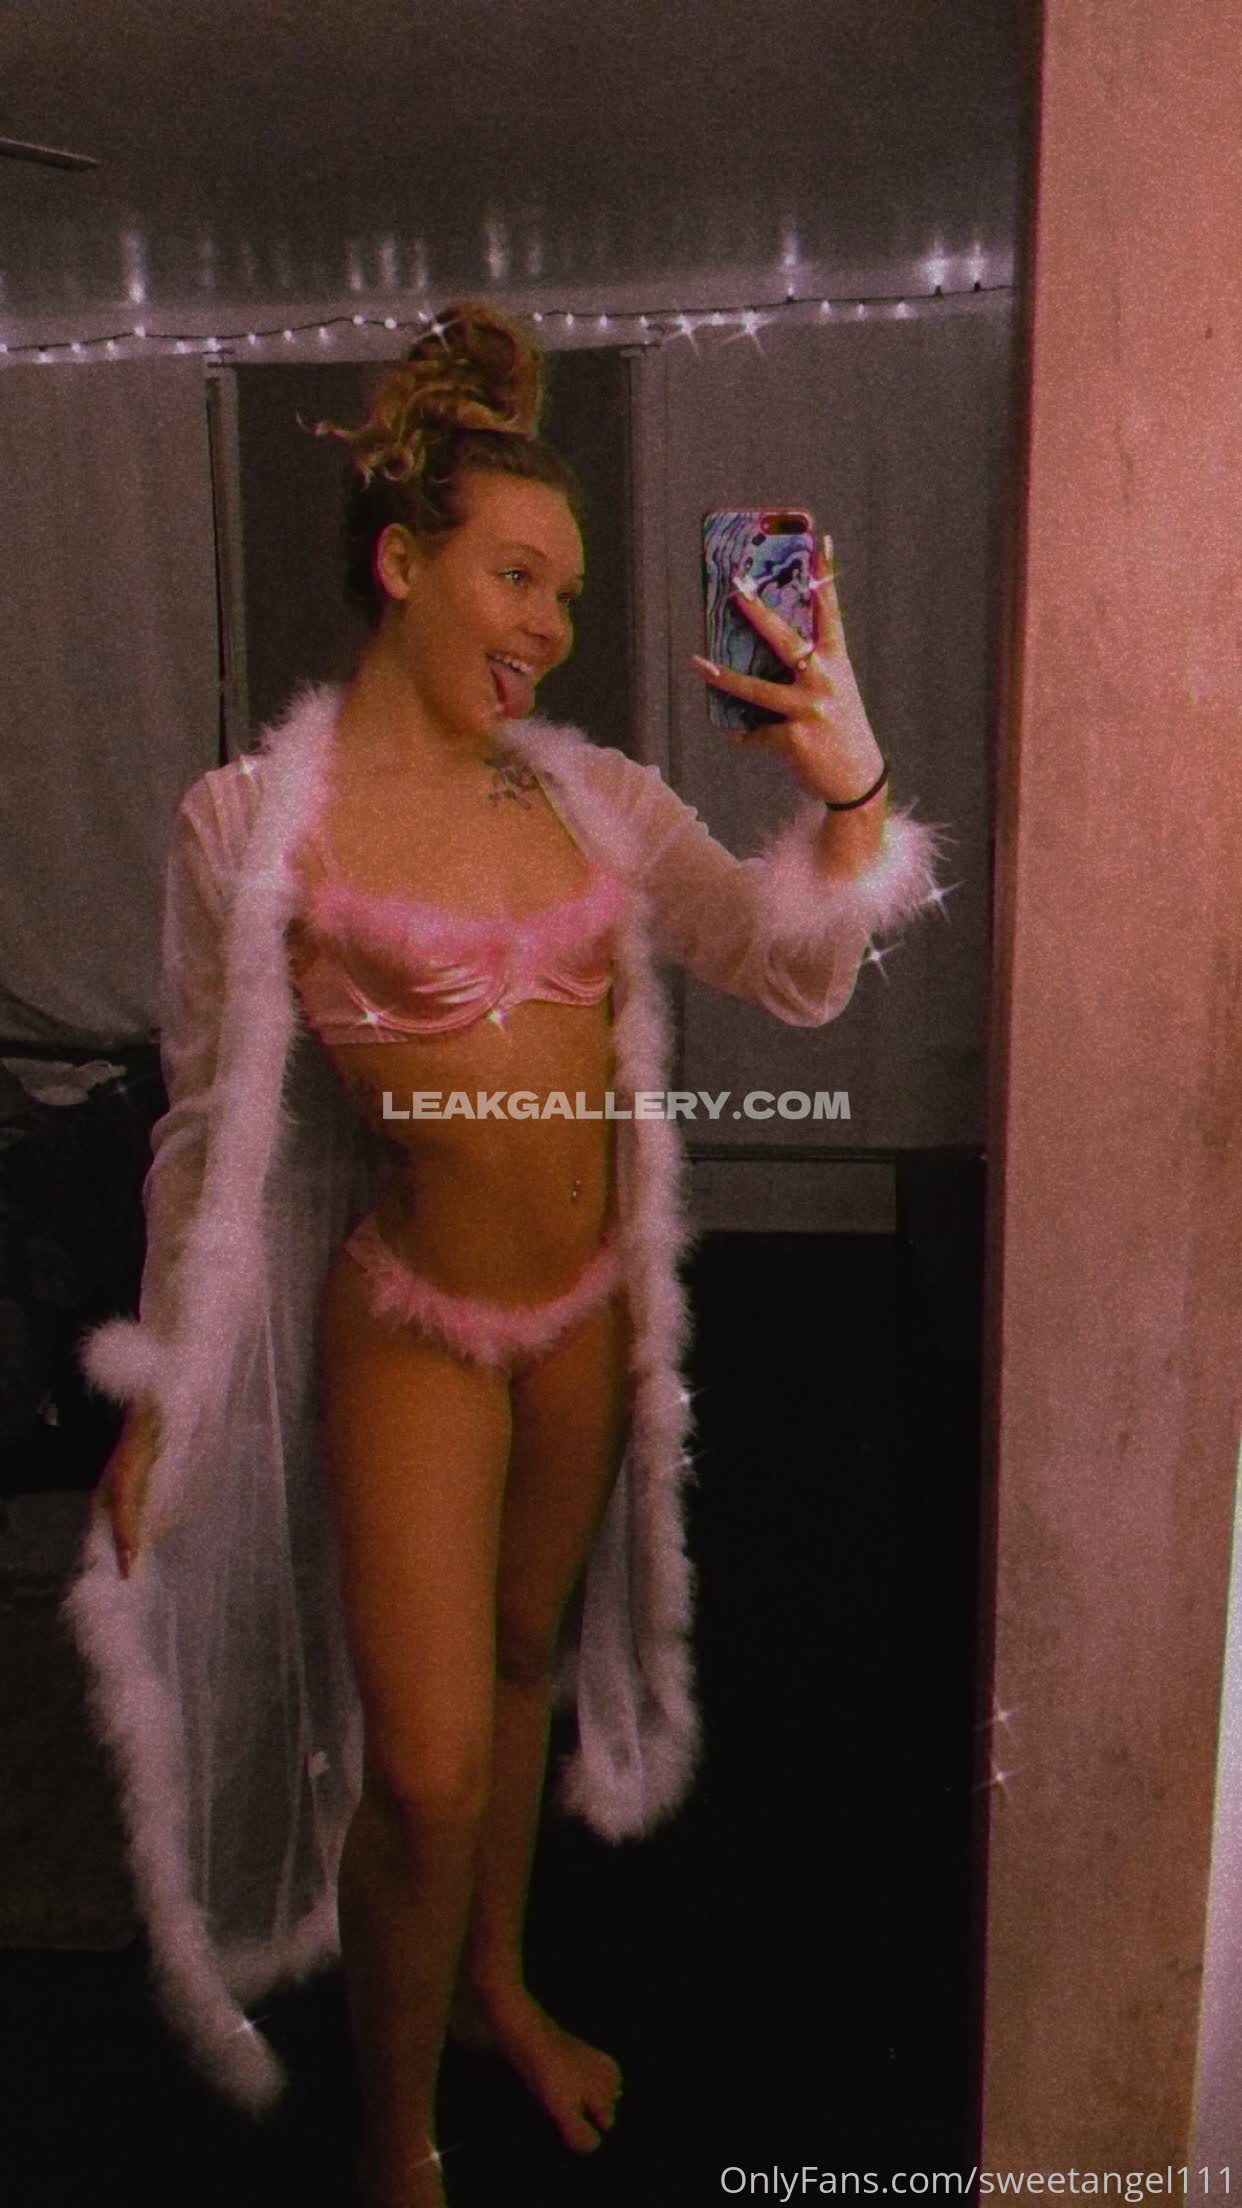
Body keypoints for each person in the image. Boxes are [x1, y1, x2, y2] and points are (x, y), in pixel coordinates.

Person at [70, 301, 947, 2207]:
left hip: (584, 1322)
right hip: (410, 1320)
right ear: (404, 563)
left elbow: (790, 966)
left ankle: (493, 1986)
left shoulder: (594, 798)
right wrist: (164, 1396)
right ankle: (396, 2140)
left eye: (566, 592)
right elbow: (211, 1131)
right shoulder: (252, 826)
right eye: (516, 575)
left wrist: (847, 786)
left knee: (526, 1661)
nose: (548, 625)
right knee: (427, 1770)